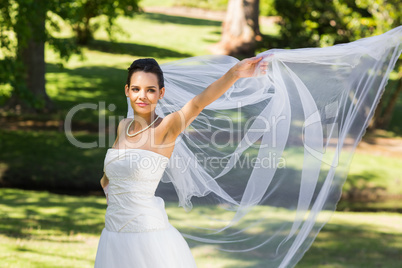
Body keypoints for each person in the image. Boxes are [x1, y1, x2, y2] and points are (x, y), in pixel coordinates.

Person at [94, 56, 269, 268]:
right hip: (113, 235)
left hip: (146, 236)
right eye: (136, 89)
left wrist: (235, 73)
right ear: (127, 90)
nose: (142, 96)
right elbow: (109, 178)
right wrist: (112, 197)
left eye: (150, 90)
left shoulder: (167, 127)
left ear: (161, 93)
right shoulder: (124, 126)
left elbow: (198, 103)